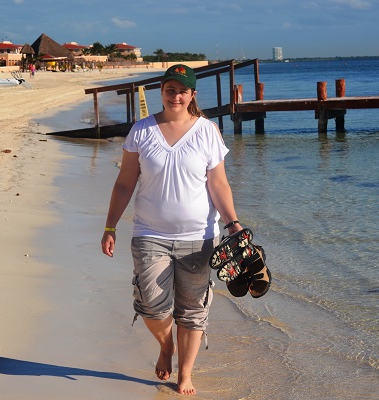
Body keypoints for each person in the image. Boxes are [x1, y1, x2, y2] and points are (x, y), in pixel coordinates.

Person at [100, 64, 242, 396]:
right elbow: (124, 183)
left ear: (192, 95)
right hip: (150, 233)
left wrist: (233, 223)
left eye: (182, 90)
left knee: (192, 310)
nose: (175, 96)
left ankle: (186, 373)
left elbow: (218, 184)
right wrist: (110, 226)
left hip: (200, 237)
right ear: (161, 92)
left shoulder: (208, 131)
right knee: (151, 304)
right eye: (169, 90)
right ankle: (166, 347)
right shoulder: (142, 130)